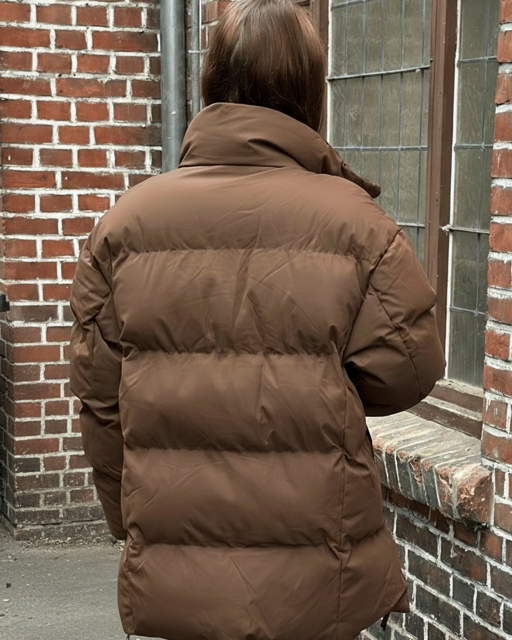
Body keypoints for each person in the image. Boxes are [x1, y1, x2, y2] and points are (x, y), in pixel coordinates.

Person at [69, 0, 445, 638]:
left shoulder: (123, 226)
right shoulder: (358, 224)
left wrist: (132, 524)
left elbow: (100, 403)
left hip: (179, 571)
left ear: (212, 81)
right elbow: (408, 372)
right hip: (316, 577)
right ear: (309, 91)